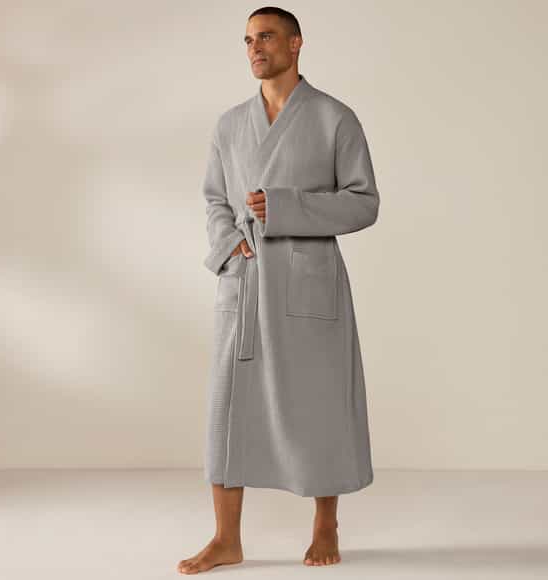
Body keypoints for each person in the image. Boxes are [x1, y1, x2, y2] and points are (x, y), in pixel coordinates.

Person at [178, 6, 380, 574]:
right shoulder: (229, 125)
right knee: (228, 407)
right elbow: (215, 198)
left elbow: (364, 202)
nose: (254, 48)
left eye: (265, 37)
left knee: (318, 401)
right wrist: (228, 246)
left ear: (296, 44)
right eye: (247, 40)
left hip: (307, 281)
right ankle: (226, 538)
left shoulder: (334, 118)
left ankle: (325, 522)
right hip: (245, 280)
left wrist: (286, 208)